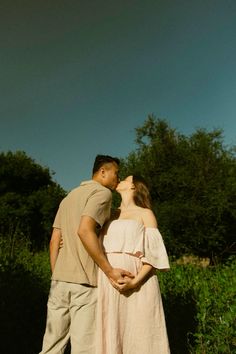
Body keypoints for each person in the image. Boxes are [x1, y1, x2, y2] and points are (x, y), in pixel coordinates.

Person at [39, 155, 133, 354]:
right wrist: (109, 271)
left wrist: (57, 274)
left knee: (51, 346)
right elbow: (84, 230)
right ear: (102, 172)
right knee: (84, 348)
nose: (118, 178)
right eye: (116, 173)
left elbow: (54, 240)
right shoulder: (103, 193)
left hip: (59, 282)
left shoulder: (69, 196)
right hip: (85, 283)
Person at [96, 175, 170, 354]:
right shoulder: (110, 214)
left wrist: (135, 282)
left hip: (138, 281)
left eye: (126, 178)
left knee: (140, 333)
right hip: (109, 280)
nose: (120, 179)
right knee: (113, 330)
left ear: (134, 187)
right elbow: (94, 245)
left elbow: (154, 254)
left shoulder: (145, 213)